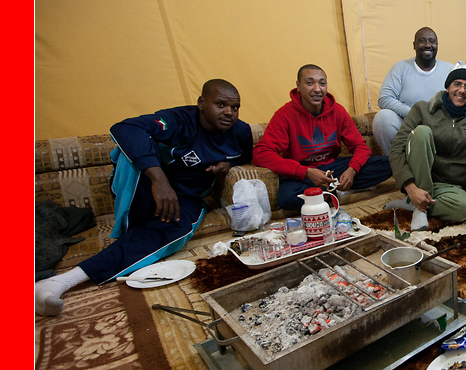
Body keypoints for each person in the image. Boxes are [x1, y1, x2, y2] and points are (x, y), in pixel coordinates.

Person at [35, 79, 253, 316]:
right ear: (201, 103)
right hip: (147, 187)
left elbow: (245, 156)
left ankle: (59, 282)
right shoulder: (178, 120)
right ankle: (130, 229)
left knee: (176, 231)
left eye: (235, 107)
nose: (229, 112)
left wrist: (228, 164)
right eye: (220, 105)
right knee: (127, 153)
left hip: (186, 197)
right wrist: (159, 180)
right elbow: (126, 128)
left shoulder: (240, 131)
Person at [387, 62, 466, 233]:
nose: (462, 90)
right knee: (422, 132)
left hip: (451, 187)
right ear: (447, 87)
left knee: (464, 210)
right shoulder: (422, 109)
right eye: (457, 84)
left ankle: (415, 203)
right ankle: (418, 203)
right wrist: (410, 187)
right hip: (421, 178)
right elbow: (397, 149)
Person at [253, 64, 392, 211]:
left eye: (322, 83)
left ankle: (329, 191)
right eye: (310, 83)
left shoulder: (337, 111)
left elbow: (360, 146)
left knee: (391, 163)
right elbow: (261, 153)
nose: (317, 89)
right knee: (286, 199)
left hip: (332, 170)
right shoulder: (284, 115)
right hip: (302, 174)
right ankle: (334, 192)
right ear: (298, 86)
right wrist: (305, 172)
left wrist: (352, 170)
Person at [373, 27, 454, 155]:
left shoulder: (450, 69)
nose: (427, 45)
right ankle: (395, 160)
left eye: (432, 41)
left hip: (440, 126)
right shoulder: (400, 68)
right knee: (382, 118)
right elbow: (384, 98)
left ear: (437, 46)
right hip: (408, 125)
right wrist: (413, 113)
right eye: (422, 41)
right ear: (414, 45)